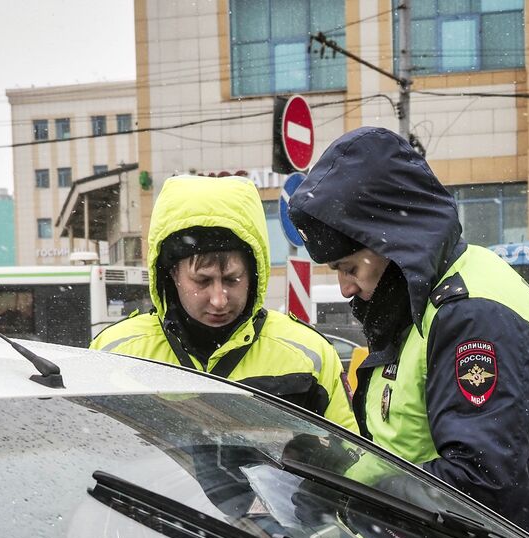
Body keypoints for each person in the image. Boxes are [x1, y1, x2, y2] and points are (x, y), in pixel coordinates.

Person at [287, 127, 529, 538]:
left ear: (394, 243)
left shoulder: (473, 317)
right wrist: (338, 466)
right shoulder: (418, 297)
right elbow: (401, 446)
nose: (346, 287)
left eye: (350, 267)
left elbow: (475, 489)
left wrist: (345, 497)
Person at [91, 175, 357, 432]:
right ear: (172, 274)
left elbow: (352, 461)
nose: (219, 300)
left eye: (232, 279)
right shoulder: (115, 352)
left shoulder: (310, 355)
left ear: (254, 274)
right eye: (202, 281)